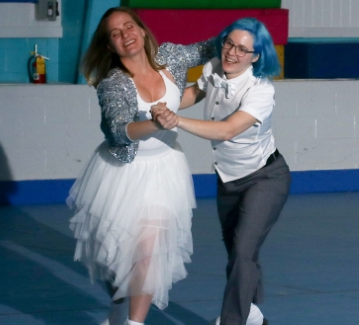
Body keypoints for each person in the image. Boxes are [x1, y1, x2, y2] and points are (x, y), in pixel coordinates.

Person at [66, 7, 215, 325]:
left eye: (129, 26)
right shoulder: (113, 84)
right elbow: (119, 131)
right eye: (115, 33)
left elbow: (209, 49)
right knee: (114, 256)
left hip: (164, 172)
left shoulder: (171, 57)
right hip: (122, 173)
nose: (125, 35)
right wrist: (155, 122)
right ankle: (119, 305)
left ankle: (134, 323)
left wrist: (240, 42)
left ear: (143, 30)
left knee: (149, 252)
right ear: (110, 46)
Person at [152, 18, 291, 325]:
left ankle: (233, 320)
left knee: (243, 250)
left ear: (256, 56)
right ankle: (251, 313)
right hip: (228, 178)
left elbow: (227, 130)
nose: (232, 53)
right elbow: (193, 93)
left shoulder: (261, 91)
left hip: (266, 178)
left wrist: (176, 122)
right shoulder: (215, 67)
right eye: (229, 43)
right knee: (239, 253)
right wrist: (165, 106)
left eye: (243, 50)